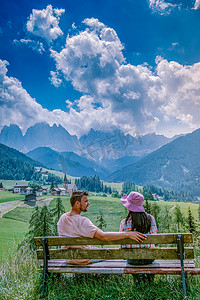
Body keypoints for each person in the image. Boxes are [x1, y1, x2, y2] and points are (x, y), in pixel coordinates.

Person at [57, 190, 147, 265]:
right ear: (77, 203)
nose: (88, 203)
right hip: (82, 258)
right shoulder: (82, 221)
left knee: (97, 249)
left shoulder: (63, 218)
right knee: (111, 255)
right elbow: (103, 236)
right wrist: (128, 234)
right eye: (85, 201)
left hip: (68, 257)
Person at [119, 191, 157, 265]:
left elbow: (122, 245)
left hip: (132, 259)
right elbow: (154, 239)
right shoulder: (151, 219)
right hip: (149, 258)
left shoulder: (124, 223)